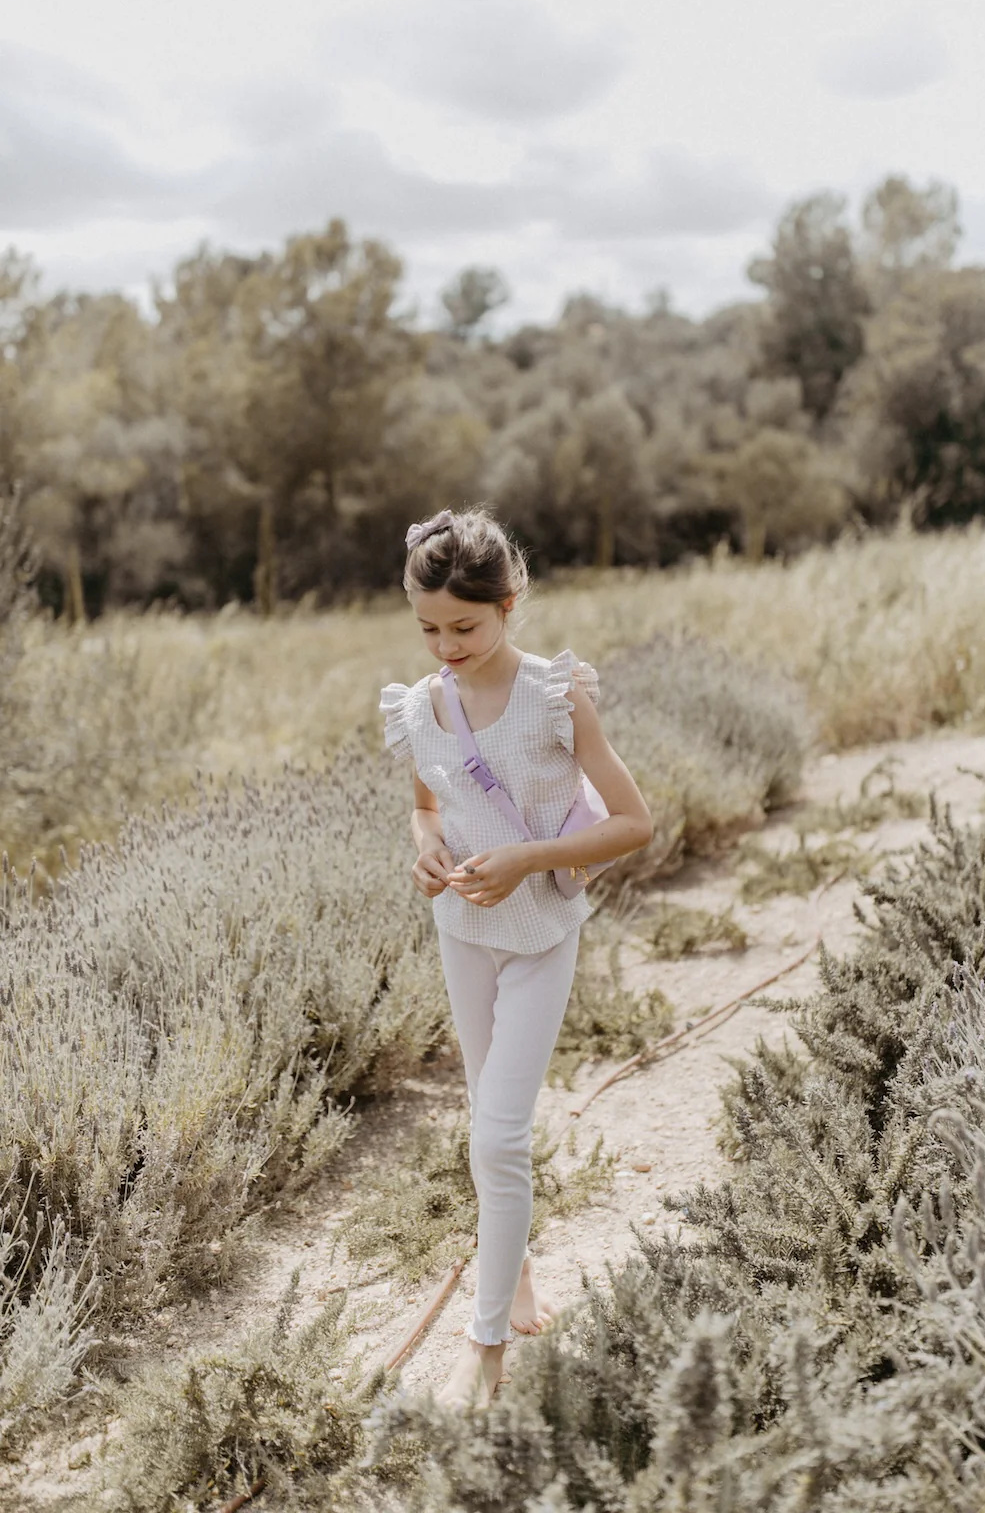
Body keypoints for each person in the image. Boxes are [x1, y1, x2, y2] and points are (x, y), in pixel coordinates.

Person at [378, 506, 654, 1409]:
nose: (445, 646)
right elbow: (427, 805)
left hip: (541, 937)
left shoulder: (554, 695)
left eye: (464, 626)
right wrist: (424, 848)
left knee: (497, 1136)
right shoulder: (421, 706)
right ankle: (516, 1267)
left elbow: (632, 822)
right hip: (461, 935)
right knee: (483, 1123)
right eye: (427, 629)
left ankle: (485, 1343)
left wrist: (527, 858)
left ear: (510, 600)